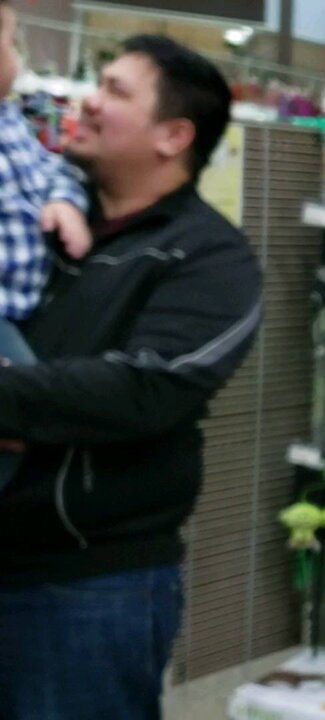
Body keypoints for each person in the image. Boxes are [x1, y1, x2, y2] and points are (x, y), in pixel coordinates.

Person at [0, 34, 262, 720]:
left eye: (114, 90)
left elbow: (140, 391)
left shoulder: (211, 258)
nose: (86, 101)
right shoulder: (34, 209)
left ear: (174, 135)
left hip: (86, 584)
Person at [0, 0, 93, 489]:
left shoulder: (12, 122)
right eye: (12, 42)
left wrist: (64, 202)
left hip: (21, 308)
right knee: (25, 405)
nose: (18, 56)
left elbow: (53, 168)